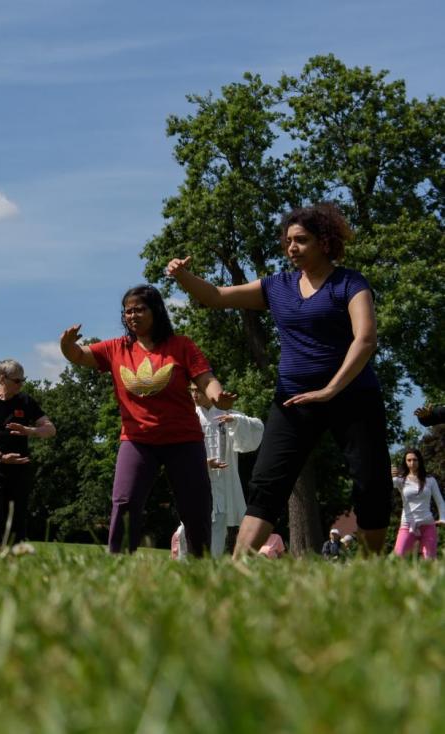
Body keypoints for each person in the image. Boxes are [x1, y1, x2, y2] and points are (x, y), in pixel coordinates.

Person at [166, 203, 392, 557]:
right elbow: (215, 297)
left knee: (371, 482)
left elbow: (365, 338)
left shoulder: (349, 283)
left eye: (301, 240)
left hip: (352, 396)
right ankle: (238, 567)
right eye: (288, 241)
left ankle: (372, 565)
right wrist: (184, 277)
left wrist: (331, 389)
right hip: (293, 400)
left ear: (325, 242)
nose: (291, 248)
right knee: (267, 482)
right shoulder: (277, 286)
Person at [60, 284, 236, 555]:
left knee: (196, 506)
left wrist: (217, 396)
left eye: (139, 309)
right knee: (125, 501)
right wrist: (66, 345)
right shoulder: (116, 348)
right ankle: (118, 563)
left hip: (183, 440)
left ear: (156, 311)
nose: (132, 315)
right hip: (137, 440)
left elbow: (206, 378)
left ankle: (201, 566)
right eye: (127, 311)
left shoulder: (181, 345)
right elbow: (79, 356)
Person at [0, 359, 56, 546]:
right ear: (2, 378)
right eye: (17, 380)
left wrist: (29, 430)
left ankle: (14, 560)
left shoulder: (26, 401)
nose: (21, 384)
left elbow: (50, 429)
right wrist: (0, 456)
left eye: (22, 380)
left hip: (20, 470)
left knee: (17, 518)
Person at [175, 387, 265, 557]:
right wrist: (203, 463)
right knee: (187, 527)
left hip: (222, 483)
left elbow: (258, 427)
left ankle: (211, 570)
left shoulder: (226, 413)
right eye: (191, 390)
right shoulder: (188, 416)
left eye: (198, 390)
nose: (194, 394)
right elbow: (178, 450)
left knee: (218, 527)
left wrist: (236, 421)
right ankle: (184, 568)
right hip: (196, 480)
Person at [391, 448, 445, 560]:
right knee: (398, 558)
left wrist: (443, 518)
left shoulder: (430, 480)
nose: (412, 463)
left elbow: (440, 501)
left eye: (415, 460)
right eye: (409, 460)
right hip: (407, 525)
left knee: (429, 561)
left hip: (428, 525)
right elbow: (385, 485)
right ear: (405, 462)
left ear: (419, 461)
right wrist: (390, 475)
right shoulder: (401, 480)